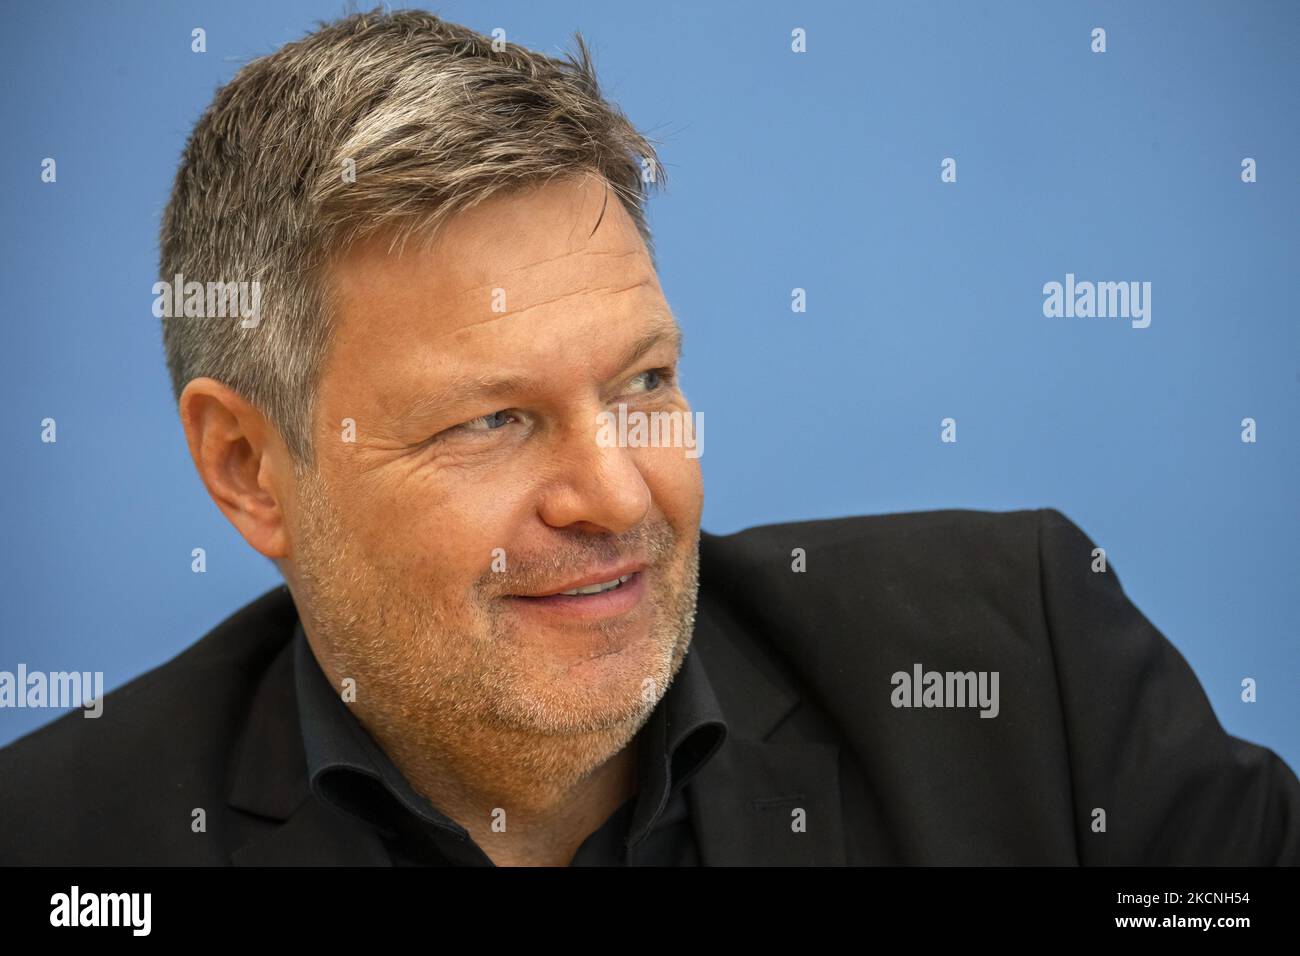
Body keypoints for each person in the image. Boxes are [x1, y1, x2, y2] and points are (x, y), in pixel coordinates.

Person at [2, 8, 1296, 866]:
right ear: (248, 468)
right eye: (494, 419)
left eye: (646, 382)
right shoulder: (64, 844)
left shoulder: (1027, 676)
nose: (617, 493)